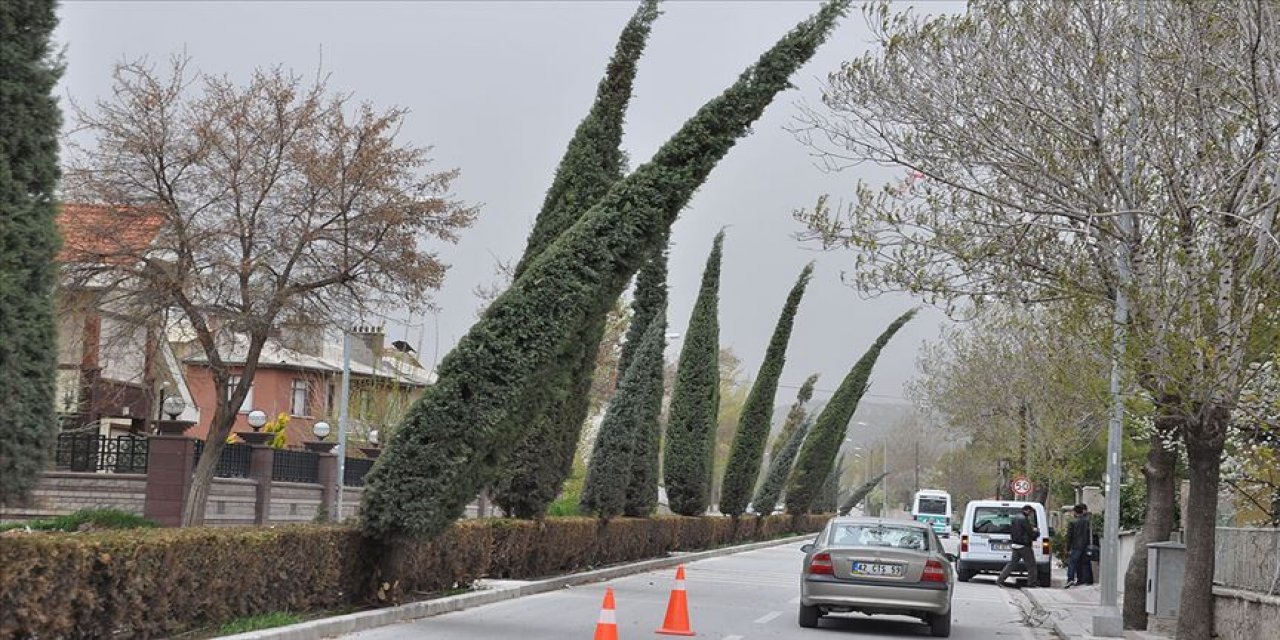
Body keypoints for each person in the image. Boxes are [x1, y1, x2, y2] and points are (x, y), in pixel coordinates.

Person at [997, 504, 1039, 588]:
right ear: (1027, 510)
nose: (1030, 514)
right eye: (1030, 512)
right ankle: (1032, 583)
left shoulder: (1015, 518)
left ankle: (1000, 580)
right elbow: (1029, 532)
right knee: (1031, 565)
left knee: (1011, 564)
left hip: (1015, 544)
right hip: (1024, 545)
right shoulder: (1024, 519)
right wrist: (1036, 533)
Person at [1065, 503, 1095, 587]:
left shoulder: (1073, 522)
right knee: (1085, 563)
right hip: (1085, 546)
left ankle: (1070, 579)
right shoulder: (1087, 521)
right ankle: (1086, 580)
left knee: (1072, 563)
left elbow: (1069, 536)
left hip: (1076, 546)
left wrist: (1067, 548)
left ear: (1075, 512)